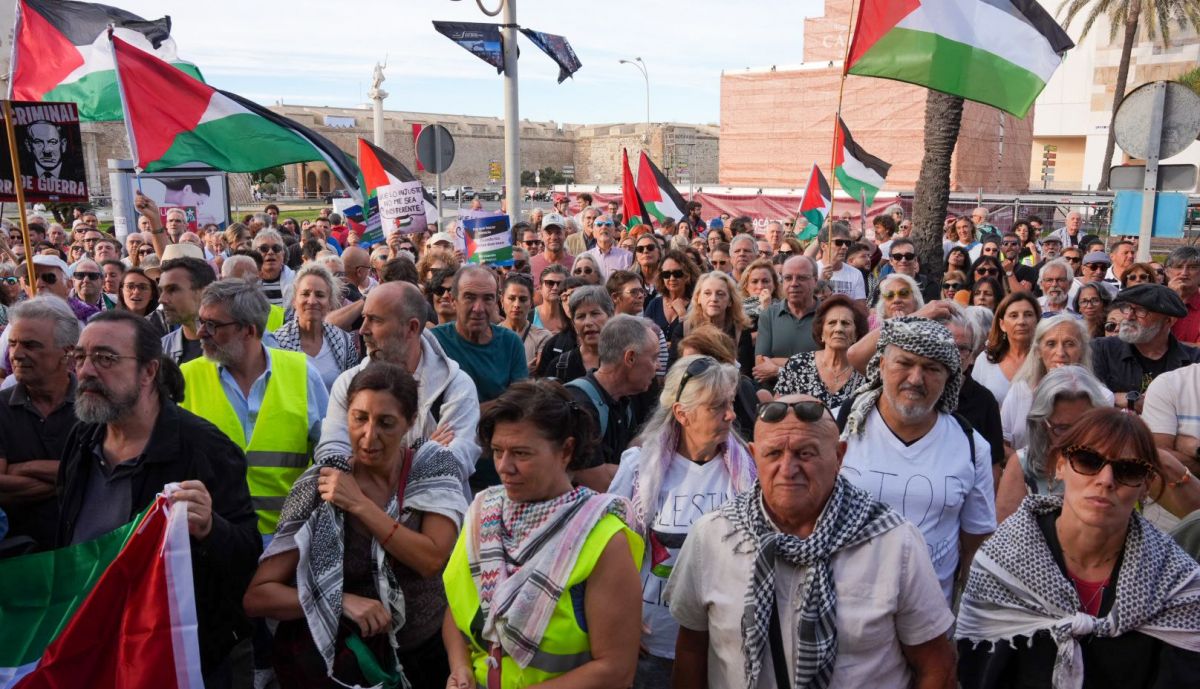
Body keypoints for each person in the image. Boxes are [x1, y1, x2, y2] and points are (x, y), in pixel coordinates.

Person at [669, 395, 956, 689]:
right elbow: (691, 650)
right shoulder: (713, 537)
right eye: (773, 454)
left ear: (839, 457)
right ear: (754, 456)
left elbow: (936, 665)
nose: (788, 469)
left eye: (805, 454)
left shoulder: (895, 543)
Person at [57, 310, 260, 685]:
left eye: (105, 358)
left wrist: (212, 528)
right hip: (94, 644)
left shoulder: (205, 449)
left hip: (177, 657)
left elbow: (248, 552)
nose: (85, 371)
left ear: (149, 372)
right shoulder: (82, 439)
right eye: (80, 357)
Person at [244, 363, 468, 689]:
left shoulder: (431, 467)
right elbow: (258, 597)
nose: (369, 435)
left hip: (429, 656)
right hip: (349, 665)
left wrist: (359, 505)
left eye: (386, 423)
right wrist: (340, 600)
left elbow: (430, 560)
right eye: (359, 418)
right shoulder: (319, 487)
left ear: (409, 423)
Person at [957, 408, 1200, 689]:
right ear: (1060, 465)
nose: (1106, 480)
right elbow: (978, 674)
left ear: (1145, 485)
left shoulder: (1175, 580)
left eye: (1128, 469)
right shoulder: (1001, 564)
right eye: (1088, 460)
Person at [442, 380, 643, 689]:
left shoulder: (602, 539)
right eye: (497, 451)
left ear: (567, 450)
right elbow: (458, 611)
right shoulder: (482, 514)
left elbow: (615, 670)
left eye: (521, 453)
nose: (504, 467)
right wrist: (461, 668)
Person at [607, 354, 756, 686]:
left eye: (730, 403)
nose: (731, 414)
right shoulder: (638, 468)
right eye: (717, 406)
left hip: (726, 641)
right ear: (682, 414)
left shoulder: (747, 468)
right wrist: (621, 621)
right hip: (653, 641)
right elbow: (609, 552)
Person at [840, 317, 996, 601]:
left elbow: (975, 543)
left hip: (929, 625)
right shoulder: (842, 428)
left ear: (950, 377)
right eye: (904, 363)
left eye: (931, 368)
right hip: (844, 614)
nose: (915, 379)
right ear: (882, 365)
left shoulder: (972, 446)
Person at [179, 279, 330, 537]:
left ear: (248, 330)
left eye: (212, 325)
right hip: (214, 542)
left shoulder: (302, 373)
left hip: (288, 543)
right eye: (201, 322)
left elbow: (329, 455)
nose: (201, 332)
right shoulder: (186, 378)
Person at [317, 281, 481, 492]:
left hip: (435, 519)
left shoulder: (455, 386)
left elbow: (455, 465)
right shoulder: (348, 383)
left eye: (375, 320)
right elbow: (332, 461)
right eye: (364, 318)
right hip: (360, 519)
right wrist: (423, 449)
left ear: (411, 327)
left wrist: (368, 460)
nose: (363, 330)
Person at [0, 298, 79, 550]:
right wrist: (72, 475)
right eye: (13, 344)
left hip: (87, 556)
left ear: (66, 352)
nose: (17, 354)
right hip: (19, 560)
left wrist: (19, 469)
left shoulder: (96, 406)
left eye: (30, 345)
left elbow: (106, 477)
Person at [993, 366, 1112, 522]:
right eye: (1062, 428)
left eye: (1084, 426)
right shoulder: (1023, 465)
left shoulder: (1113, 465)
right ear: (1042, 424)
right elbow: (1004, 537)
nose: (1074, 437)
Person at [562, 315, 659, 491]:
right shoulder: (580, 404)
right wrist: (658, 472)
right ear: (630, 358)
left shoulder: (623, 400)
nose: (657, 366)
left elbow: (626, 457)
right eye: (653, 358)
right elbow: (598, 481)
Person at [1000, 315, 1111, 453]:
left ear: (1082, 350)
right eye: (1051, 344)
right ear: (1038, 351)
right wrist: (1026, 467)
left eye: (1069, 344)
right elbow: (1003, 444)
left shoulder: (1102, 396)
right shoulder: (1020, 391)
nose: (1060, 353)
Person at [1091, 284, 1200, 413]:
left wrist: (1119, 398)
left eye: (1141, 311)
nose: (1129, 317)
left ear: (1169, 321)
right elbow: (1090, 396)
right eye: (1127, 308)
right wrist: (1132, 400)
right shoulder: (1101, 349)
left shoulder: (1194, 361)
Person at [431, 266, 528, 403]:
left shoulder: (511, 343)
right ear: (453, 300)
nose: (478, 308)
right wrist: (501, 403)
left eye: (487, 298)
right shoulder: (434, 342)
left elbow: (520, 404)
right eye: (469, 297)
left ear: (496, 302)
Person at [773, 293, 867, 413]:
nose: (838, 329)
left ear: (856, 334)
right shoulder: (797, 365)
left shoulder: (865, 372)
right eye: (832, 323)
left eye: (846, 323)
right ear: (821, 332)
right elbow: (777, 411)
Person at [273, 263, 360, 390]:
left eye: (320, 295)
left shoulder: (344, 342)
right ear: (294, 300)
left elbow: (353, 390)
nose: (312, 301)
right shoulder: (277, 343)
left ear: (330, 302)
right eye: (305, 294)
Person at [971, 291, 1039, 407]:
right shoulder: (986, 359)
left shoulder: (1045, 358)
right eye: (1014, 316)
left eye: (1028, 315)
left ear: (1037, 321)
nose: (1021, 321)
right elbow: (974, 404)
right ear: (1002, 324)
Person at [679, 271, 754, 374]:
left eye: (720, 294)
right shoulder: (684, 329)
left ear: (730, 301)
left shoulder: (740, 331)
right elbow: (674, 371)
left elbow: (744, 373)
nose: (713, 299)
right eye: (707, 293)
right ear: (698, 298)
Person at [544, 285, 614, 383]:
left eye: (595, 314)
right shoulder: (559, 367)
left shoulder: (627, 362)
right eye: (581, 316)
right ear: (573, 323)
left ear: (610, 316)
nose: (588, 322)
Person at [159, 256, 217, 365]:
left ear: (205, 292)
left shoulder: (233, 345)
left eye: (172, 289)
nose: (162, 299)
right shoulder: (162, 349)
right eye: (161, 291)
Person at [499, 273, 552, 370]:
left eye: (522, 299)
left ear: (531, 303)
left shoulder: (543, 337)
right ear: (502, 301)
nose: (517, 304)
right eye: (511, 298)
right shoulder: (490, 336)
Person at [644, 249, 698, 336]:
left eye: (677, 273)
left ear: (687, 276)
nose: (672, 278)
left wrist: (683, 314)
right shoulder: (654, 304)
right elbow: (643, 336)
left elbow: (696, 339)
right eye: (666, 274)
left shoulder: (696, 305)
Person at [816, 224, 867, 301]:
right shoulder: (811, 271)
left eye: (847, 243)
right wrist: (821, 282)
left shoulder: (856, 274)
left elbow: (860, 307)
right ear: (823, 246)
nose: (844, 247)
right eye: (839, 242)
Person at [117, 265, 168, 338]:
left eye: (143, 287)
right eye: (130, 286)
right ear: (121, 292)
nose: (136, 292)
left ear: (152, 294)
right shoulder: (110, 323)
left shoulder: (163, 324)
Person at [1164, 247, 1200, 346]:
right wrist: (1172, 299)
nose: (1184, 273)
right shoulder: (1152, 302)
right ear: (1166, 272)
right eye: (1178, 267)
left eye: (1192, 267)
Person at [737, 258, 779, 334]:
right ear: (746, 286)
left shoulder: (784, 309)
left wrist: (767, 308)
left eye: (765, 281)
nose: (760, 286)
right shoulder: (737, 311)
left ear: (774, 284)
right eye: (754, 281)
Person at [531, 264, 568, 332]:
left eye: (560, 284)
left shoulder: (571, 317)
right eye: (550, 283)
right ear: (540, 288)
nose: (555, 288)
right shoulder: (529, 317)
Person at [631, 234, 661, 302]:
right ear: (636, 256)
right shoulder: (629, 281)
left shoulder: (669, 278)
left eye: (650, 247)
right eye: (640, 249)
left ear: (659, 253)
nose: (645, 251)